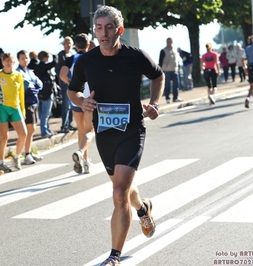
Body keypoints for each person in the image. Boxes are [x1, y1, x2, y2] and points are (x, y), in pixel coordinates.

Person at [68, 6, 163, 265]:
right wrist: (82, 101)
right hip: (105, 133)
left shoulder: (135, 56)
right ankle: (143, 208)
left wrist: (154, 102)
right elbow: (73, 90)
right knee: (122, 189)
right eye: (99, 27)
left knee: (119, 192)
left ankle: (114, 256)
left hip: (132, 130)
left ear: (119, 30)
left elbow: (158, 76)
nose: (103, 32)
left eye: (109, 27)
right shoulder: (87, 61)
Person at [60, 33, 94, 174]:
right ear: (88, 45)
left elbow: (62, 75)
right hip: (90, 98)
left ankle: (84, 160)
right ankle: (82, 155)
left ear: (75, 46)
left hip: (76, 97)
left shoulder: (70, 59)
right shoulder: (92, 57)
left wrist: (72, 83)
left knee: (81, 131)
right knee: (90, 131)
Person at [0, 53, 27, 172]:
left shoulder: (18, 75)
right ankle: (1, 162)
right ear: (2, 62)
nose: (8, 63)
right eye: (6, 61)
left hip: (15, 107)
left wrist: (23, 110)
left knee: (23, 134)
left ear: (14, 62)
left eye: (10, 61)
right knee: (4, 136)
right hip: (2, 108)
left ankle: (16, 157)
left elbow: (21, 93)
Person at [16, 50, 44, 165]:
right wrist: (33, 86)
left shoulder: (30, 71)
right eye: (22, 58)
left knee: (32, 129)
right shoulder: (18, 72)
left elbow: (39, 84)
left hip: (34, 101)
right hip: (26, 102)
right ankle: (26, 154)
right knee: (28, 129)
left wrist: (34, 86)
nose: (25, 60)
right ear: (18, 60)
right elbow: (27, 87)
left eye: (26, 58)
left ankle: (29, 151)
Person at [34, 50, 58, 138]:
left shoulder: (38, 67)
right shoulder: (43, 66)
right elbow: (55, 62)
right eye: (47, 56)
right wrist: (54, 55)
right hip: (47, 93)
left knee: (44, 113)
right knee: (45, 113)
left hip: (42, 92)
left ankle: (46, 129)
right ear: (44, 57)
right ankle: (44, 131)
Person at [56, 36, 75, 133]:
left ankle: (70, 123)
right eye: (66, 43)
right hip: (64, 83)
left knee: (72, 104)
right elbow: (58, 69)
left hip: (72, 83)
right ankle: (64, 125)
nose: (68, 45)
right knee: (66, 105)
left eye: (69, 43)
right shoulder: (61, 55)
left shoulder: (72, 54)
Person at [159, 37, 182, 103]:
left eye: (170, 41)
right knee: (167, 85)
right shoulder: (163, 50)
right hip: (167, 70)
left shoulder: (174, 50)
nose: (169, 43)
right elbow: (160, 60)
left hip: (174, 69)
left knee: (176, 85)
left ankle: (176, 97)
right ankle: (167, 98)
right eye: (168, 41)